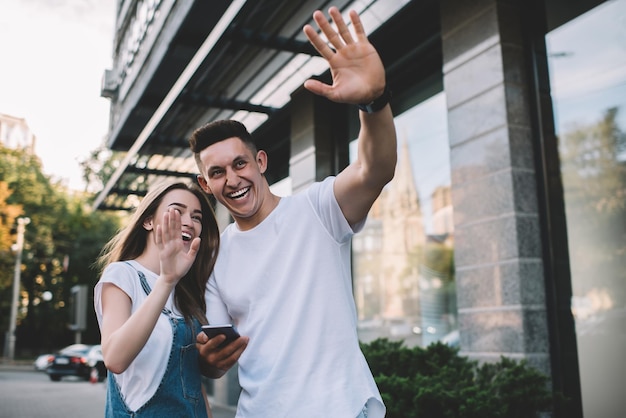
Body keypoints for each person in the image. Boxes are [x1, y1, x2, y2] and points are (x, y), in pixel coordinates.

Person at [191, 6, 397, 418]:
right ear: (205, 185)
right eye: (217, 173)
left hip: (341, 408)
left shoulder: (317, 208)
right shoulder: (214, 258)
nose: (232, 179)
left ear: (261, 162)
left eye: (240, 164)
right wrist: (207, 359)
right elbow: (216, 358)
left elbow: (374, 169)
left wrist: (374, 102)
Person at [93, 182, 220, 417]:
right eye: (177, 210)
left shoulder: (189, 289)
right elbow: (114, 358)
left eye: (196, 217)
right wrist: (167, 280)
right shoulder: (123, 274)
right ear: (148, 220)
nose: (188, 222)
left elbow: (192, 381)